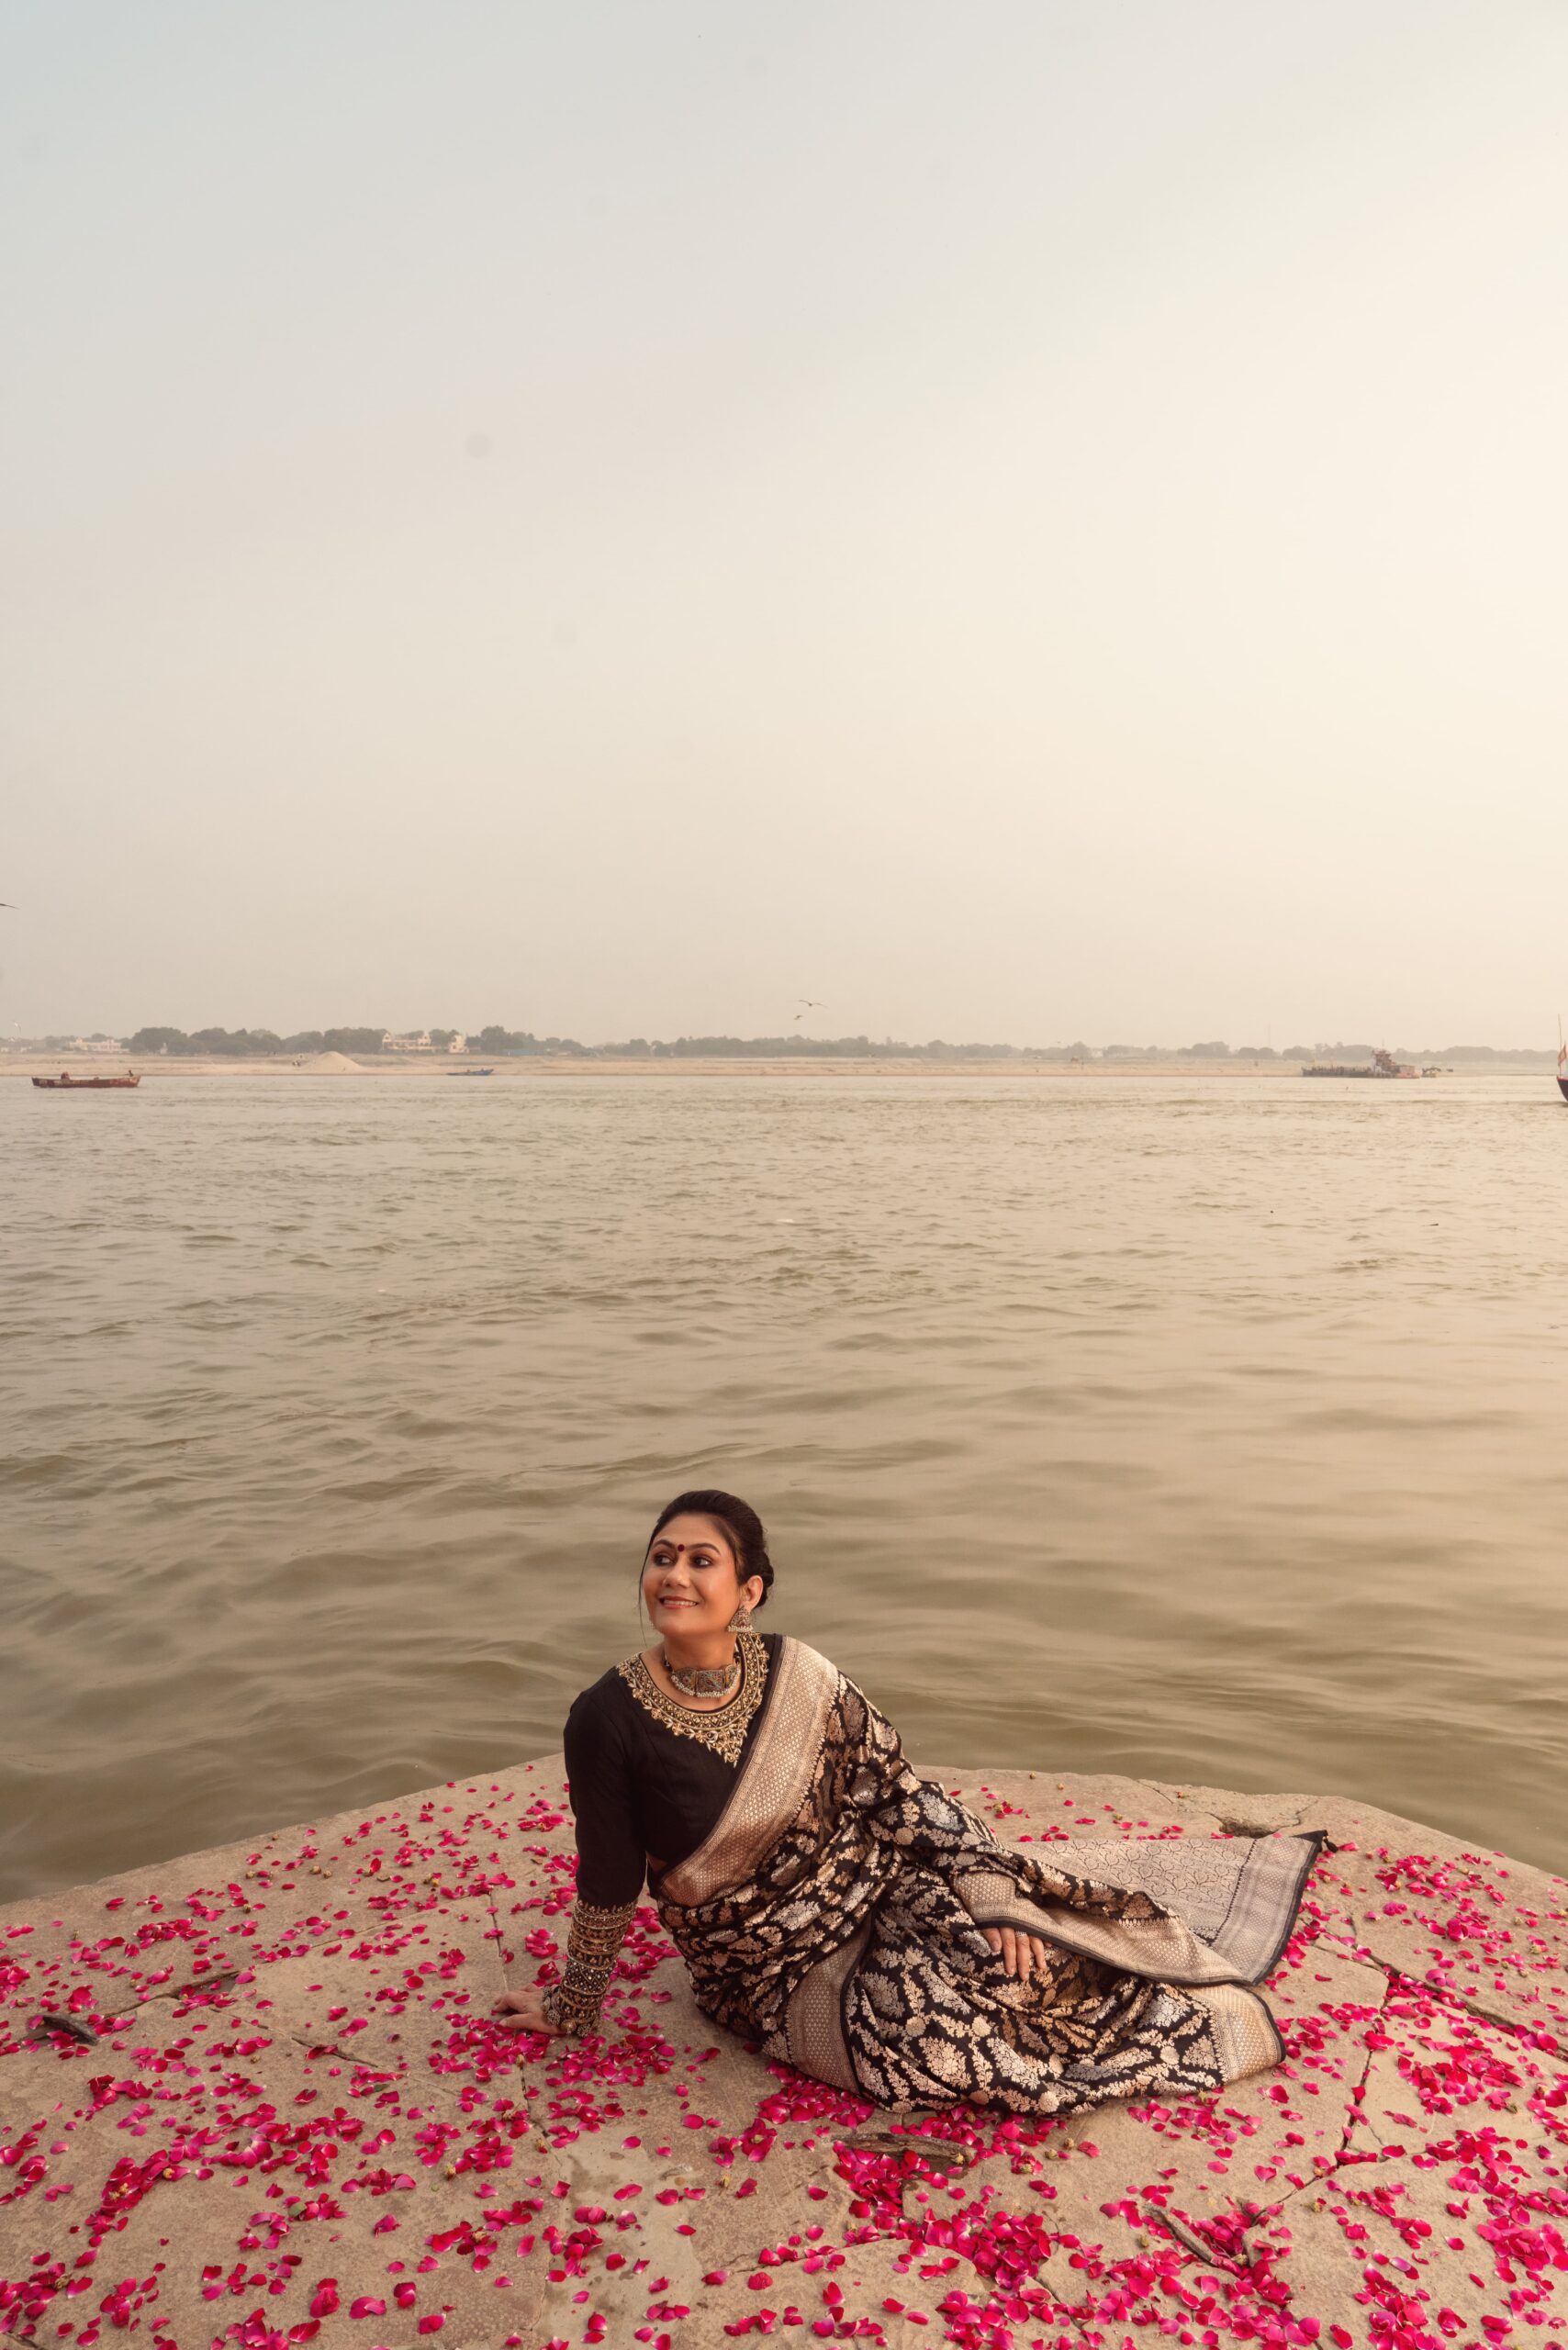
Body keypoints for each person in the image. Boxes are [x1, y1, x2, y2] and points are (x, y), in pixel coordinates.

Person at [493, 1490, 1321, 2114]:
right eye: (662, 1557)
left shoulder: (800, 1675)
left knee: (1025, 1960)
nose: (674, 1575)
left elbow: (897, 1795)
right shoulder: (606, 1718)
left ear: (748, 1591)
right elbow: (607, 1879)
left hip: (878, 1885)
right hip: (765, 1965)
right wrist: (572, 2005)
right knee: (930, 2036)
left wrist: (988, 1892)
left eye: (700, 1560)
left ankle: (1015, 1918)